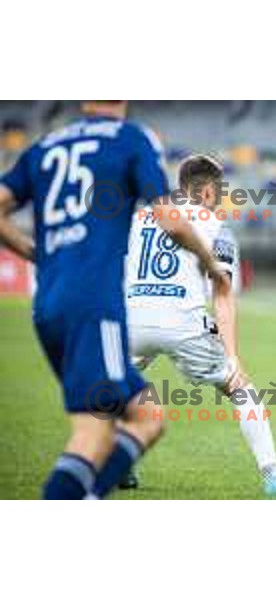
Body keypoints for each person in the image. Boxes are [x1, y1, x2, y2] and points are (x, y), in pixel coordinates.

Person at [0, 101, 224, 499]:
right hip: (92, 305)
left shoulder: (45, 146)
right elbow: (170, 221)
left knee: (139, 417)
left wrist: (33, 252)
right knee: (103, 432)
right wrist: (209, 261)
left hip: (48, 304)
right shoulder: (130, 139)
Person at [122, 154, 276, 495]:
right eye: (220, 192)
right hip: (183, 323)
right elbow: (222, 294)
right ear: (206, 192)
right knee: (241, 389)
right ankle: (273, 478)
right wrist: (233, 357)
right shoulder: (215, 226)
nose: (221, 199)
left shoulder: (139, 217)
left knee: (116, 389)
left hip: (133, 320)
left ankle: (121, 464)